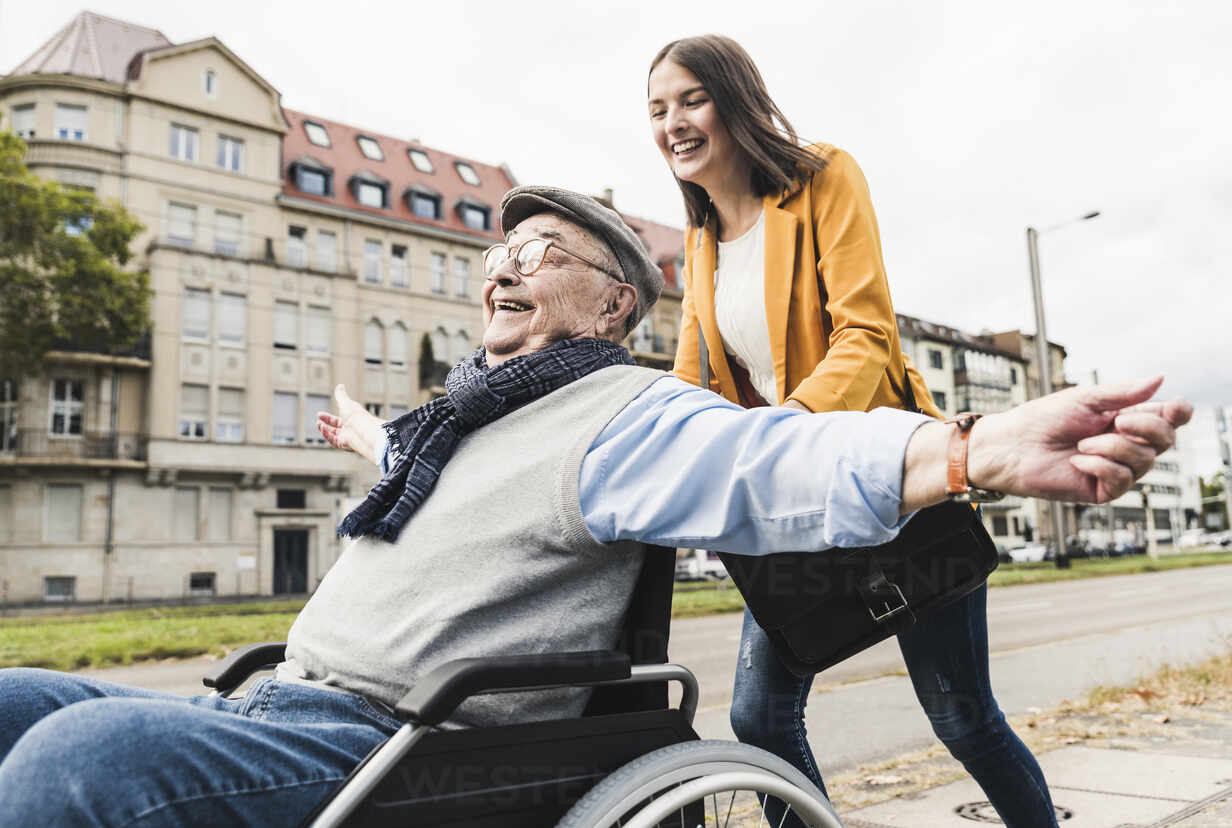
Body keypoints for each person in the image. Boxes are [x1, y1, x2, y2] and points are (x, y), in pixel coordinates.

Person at [0, 185, 1188, 827]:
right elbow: (423, 485)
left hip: (400, 746)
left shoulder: (625, 410)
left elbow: (769, 460)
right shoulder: (461, 421)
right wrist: (370, 440)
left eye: (540, 252)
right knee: (15, 700)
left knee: (77, 763)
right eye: (500, 252)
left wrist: (970, 448)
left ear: (614, 304)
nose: (502, 265)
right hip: (275, 701)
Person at [647, 34, 1065, 826]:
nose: (673, 123)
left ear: (736, 101)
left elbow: (866, 335)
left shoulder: (822, 177)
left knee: (962, 718)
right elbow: (691, 379)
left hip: (892, 479)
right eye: (658, 110)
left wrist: (788, 432)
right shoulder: (700, 244)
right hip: (793, 501)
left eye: (691, 100)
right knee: (759, 718)